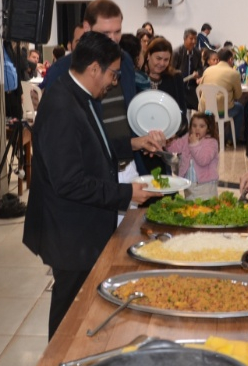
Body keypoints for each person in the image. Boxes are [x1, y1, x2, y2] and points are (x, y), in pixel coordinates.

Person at [23, 32, 164, 339]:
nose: (115, 81)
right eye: (113, 73)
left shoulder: (80, 94)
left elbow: (95, 145)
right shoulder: (62, 106)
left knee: (82, 308)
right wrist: (127, 193)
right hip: (70, 232)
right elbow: (69, 182)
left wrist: (135, 143)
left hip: (80, 226)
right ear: (94, 69)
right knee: (68, 315)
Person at [40, 0, 143, 176]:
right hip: (91, 170)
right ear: (87, 28)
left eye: (117, 31)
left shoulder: (124, 61)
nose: (113, 39)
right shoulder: (63, 70)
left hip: (128, 162)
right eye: (106, 32)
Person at [141, 36, 188, 139]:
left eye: (166, 60)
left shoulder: (175, 78)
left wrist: (174, 134)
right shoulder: (139, 78)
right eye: (158, 58)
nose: (162, 63)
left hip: (170, 135)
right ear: (148, 55)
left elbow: (182, 111)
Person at [166, 112, 219, 200]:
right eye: (194, 126)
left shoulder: (211, 142)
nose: (197, 129)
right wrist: (168, 140)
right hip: (189, 185)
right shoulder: (187, 138)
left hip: (205, 185)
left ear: (208, 129)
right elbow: (174, 148)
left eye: (201, 126)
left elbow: (203, 160)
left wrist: (194, 144)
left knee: (206, 208)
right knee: (191, 209)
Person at [199, 46, 244, 144]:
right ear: (230, 60)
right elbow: (238, 95)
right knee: (240, 108)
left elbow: (201, 89)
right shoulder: (234, 73)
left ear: (218, 59)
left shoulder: (208, 70)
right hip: (222, 111)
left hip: (206, 110)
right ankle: (231, 139)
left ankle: (217, 136)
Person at [174, 27, 203, 109]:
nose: (194, 42)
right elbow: (172, 70)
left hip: (193, 87)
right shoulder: (177, 52)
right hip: (180, 86)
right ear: (185, 39)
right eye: (191, 39)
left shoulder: (197, 52)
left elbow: (200, 68)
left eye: (195, 39)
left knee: (199, 108)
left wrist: (198, 73)